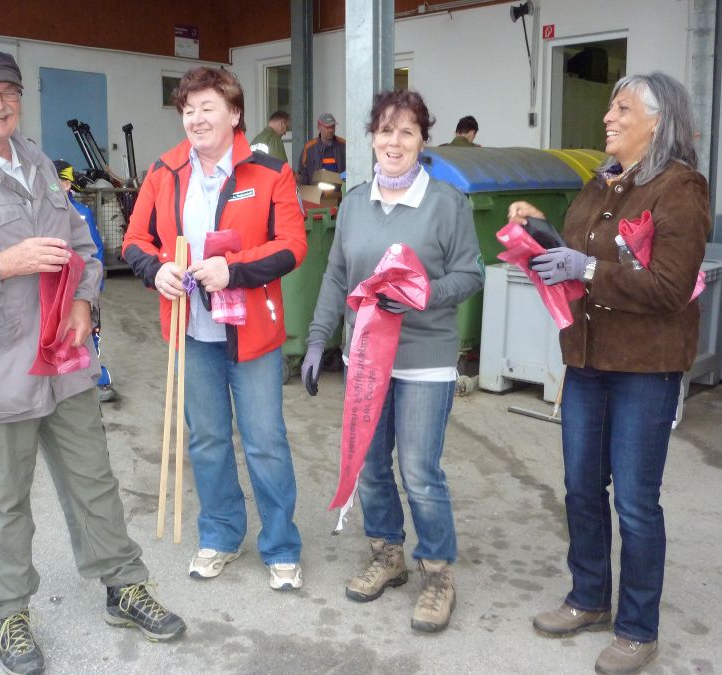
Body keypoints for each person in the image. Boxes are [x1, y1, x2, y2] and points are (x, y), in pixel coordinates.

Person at [0, 48, 186, 675]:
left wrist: (84, 301)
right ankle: (9, 611)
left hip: (64, 360)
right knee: (3, 500)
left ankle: (121, 584)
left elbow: (80, 244)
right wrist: (3, 264)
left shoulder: (38, 163)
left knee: (94, 483)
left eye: (9, 92)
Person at [508, 72, 710, 675]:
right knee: (580, 487)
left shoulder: (682, 188)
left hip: (645, 368)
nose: (608, 118)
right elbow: (578, 248)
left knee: (638, 504)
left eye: (623, 109)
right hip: (588, 360)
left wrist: (587, 268)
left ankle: (637, 628)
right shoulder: (602, 181)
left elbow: (671, 286)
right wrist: (539, 235)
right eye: (610, 107)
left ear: (657, 121)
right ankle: (589, 597)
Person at [301, 89, 483, 632]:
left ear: (423, 139)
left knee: (420, 471)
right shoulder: (355, 201)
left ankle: (438, 572)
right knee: (372, 465)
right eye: (385, 130)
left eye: (406, 131)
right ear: (371, 138)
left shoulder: (447, 202)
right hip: (366, 358)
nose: (394, 142)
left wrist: (421, 294)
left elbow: (471, 274)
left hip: (425, 357)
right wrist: (316, 341)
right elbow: (337, 275)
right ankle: (387, 553)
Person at [123, 66, 307, 591]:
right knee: (206, 439)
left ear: (234, 114)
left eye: (208, 107)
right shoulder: (165, 170)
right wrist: (154, 269)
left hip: (252, 333)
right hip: (190, 329)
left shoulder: (269, 171)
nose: (197, 118)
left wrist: (236, 270)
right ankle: (222, 534)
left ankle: (281, 545)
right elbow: (135, 239)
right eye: (188, 109)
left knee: (265, 440)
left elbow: (294, 244)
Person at [52, 159, 118, 404]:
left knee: (89, 333)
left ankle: (98, 378)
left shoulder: (81, 213)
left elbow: (94, 251)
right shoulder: (42, 213)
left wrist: (93, 287)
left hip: (83, 289)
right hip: (54, 290)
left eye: (54, 182)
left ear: (67, 184)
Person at [298, 112, 347, 185]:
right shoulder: (309, 148)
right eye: (327, 127)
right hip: (317, 193)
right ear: (318, 127)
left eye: (333, 126)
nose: (331, 130)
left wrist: (342, 181)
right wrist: (306, 192)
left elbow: (351, 170)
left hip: (340, 192)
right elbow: (303, 173)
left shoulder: (343, 145)